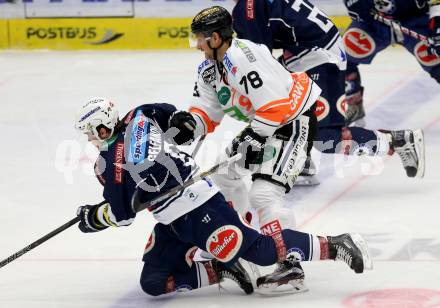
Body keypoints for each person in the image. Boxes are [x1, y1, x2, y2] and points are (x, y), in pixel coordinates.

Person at [74, 97, 372, 296]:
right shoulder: (138, 115)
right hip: (171, 220)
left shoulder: (110, 161)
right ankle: (223, 266)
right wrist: (180, 123)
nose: (90, 138)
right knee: (153, 283)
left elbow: (123, 215)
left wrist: (93, 217)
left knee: (263, 252)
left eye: (90, 131)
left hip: (199, 206)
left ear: (102, 125)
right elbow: (167, 112)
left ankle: (336, 245)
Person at [231, 0, 425, 181]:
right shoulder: (257, 4)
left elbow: (257, 59)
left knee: (326, 137)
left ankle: (398, 141)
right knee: (283, 102)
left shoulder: (248, 8)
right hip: (313, 55)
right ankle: (298, 161)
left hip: (319, 59)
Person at [342, 0, 440, 124]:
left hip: (417, 20)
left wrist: (438, 25)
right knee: (342, 59)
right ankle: (354, 105)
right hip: (375, 21)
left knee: (437, 64)